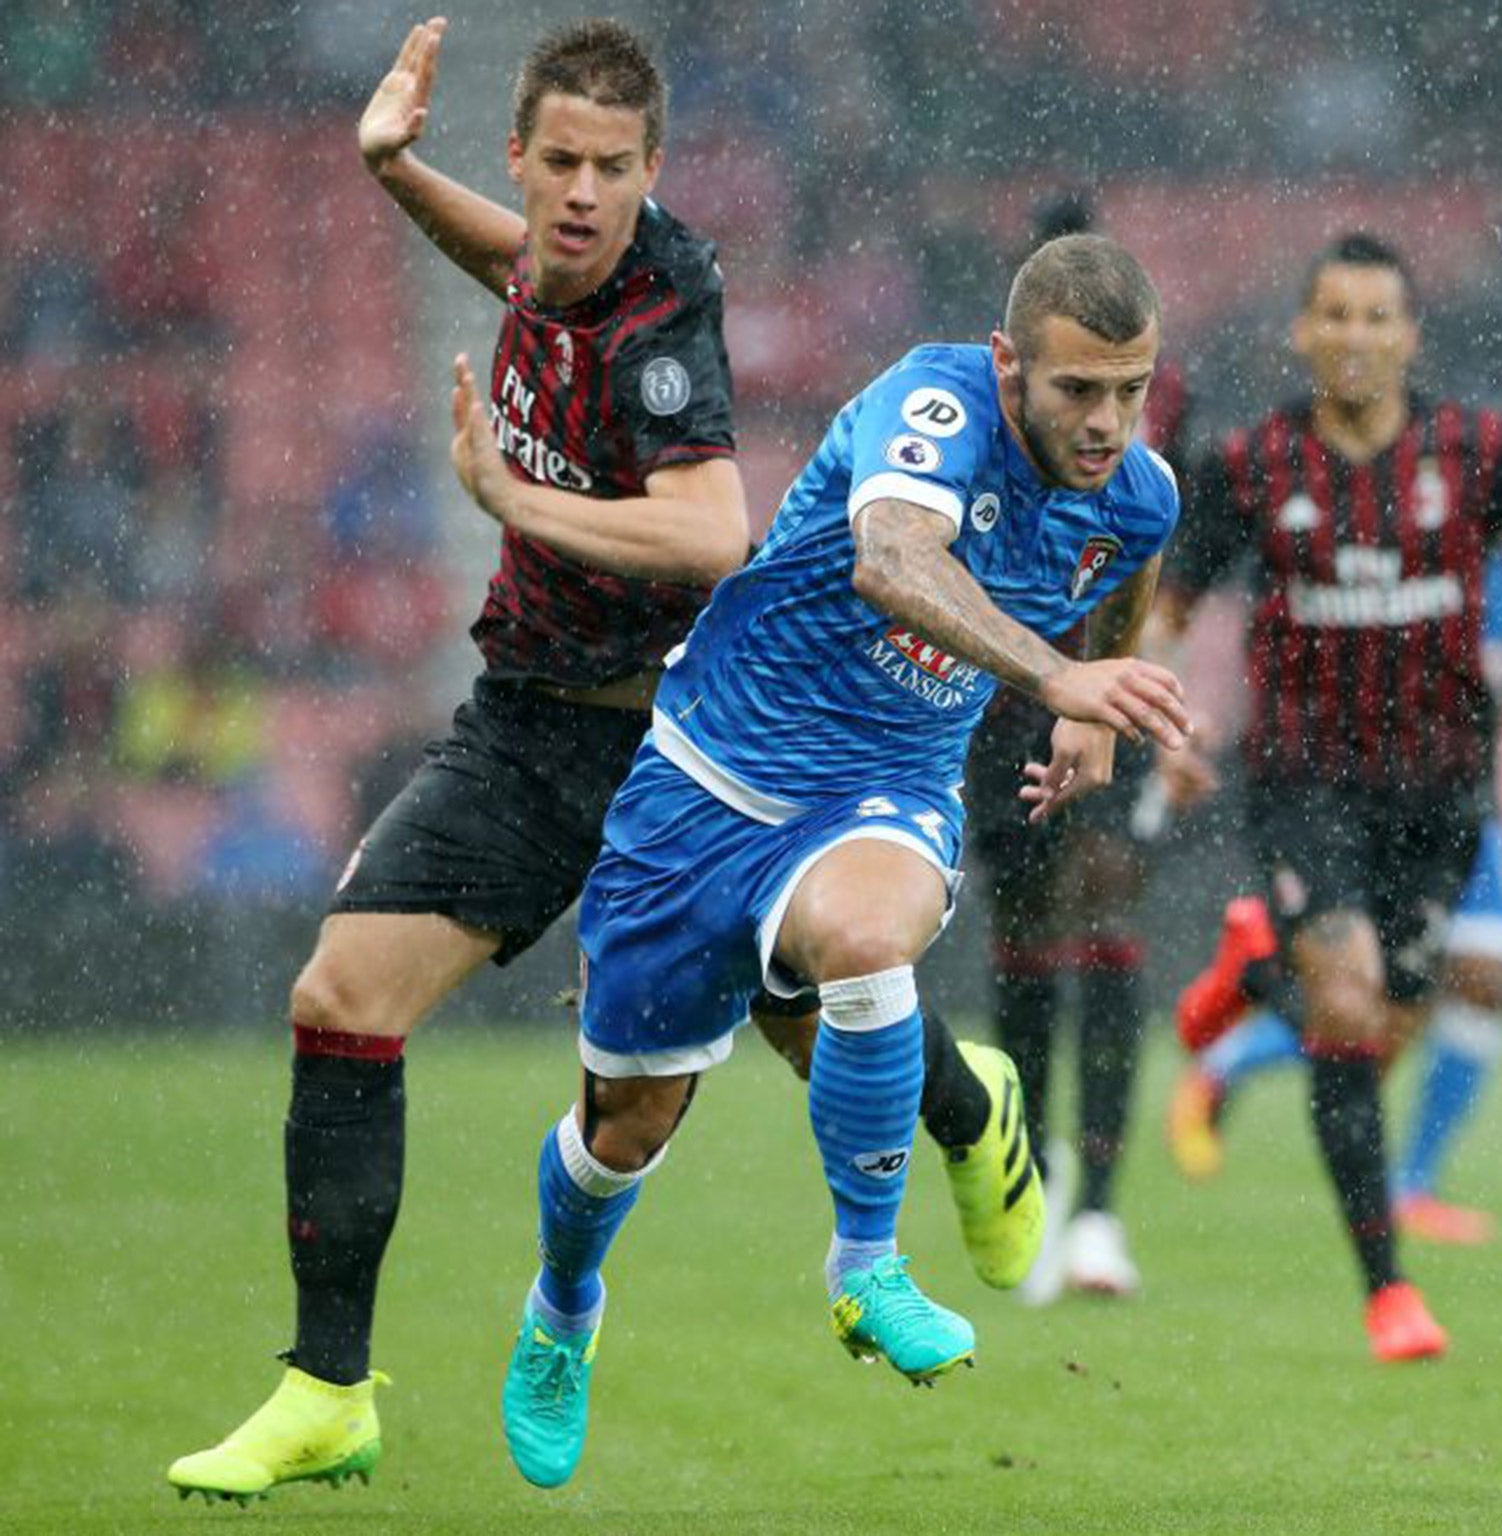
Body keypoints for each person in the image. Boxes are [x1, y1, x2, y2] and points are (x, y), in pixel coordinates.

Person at [168, 18, 1034, 1507]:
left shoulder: (665, 319)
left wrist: (510, 496)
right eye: (557, 162)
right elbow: (525, 267)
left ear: (655, 173)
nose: (578, 193)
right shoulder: (557, 258)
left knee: (792, 1047)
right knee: (339, 1000)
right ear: (520, 153)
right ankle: (325, 1390)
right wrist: (391, 175)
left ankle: (975, 1114)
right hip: (528, 723)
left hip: (694, 750)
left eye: (610, 170)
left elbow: (711, 533)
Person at [495, 233, 1187, 1489]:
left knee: (869, 944)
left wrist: (1086, 706)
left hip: (888, 783)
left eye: (1130, 389)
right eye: (1078, 389)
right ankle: (561, 1312)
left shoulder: (1139, 492)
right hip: (707, 778)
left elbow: (1124, 567)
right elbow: (892, 560)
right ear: (1006, 364)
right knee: (621, 1135)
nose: (1105, 422)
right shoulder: (933, 398)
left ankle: (865, 1267)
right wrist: (1057, 675)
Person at [1151, 233, 1502, 1363]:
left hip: (1443, 791)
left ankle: (1250, 976)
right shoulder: (1250, 463)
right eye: (1335, 315)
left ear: (1409, 336)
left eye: (1377, 317)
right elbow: (1166, 611)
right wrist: (1163, 723)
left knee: (1390, 1022)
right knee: (1350, 1007)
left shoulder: (1481, 451)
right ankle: (1387, 1293)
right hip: (1304, 779)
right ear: (1301, 332)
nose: (1355, 337)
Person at [1166, 550, 1502, 1253]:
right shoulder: (1439, 521)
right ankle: (1237, 1055)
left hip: (1463, 797)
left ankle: (1406, 1180)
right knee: (1383, 1000)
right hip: (1395, 794)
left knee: (1463, 990)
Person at [960, 192, 1193, 1305]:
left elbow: (1162, 541)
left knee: (1103, 913)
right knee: (1021, 927)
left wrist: (1123, 692)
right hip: (997, 693)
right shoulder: (980, 406)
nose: (1103, 413)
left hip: (1103, 681)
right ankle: (1034, 1175)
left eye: (1125, 389)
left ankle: (1099, 1210)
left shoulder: (1158, 407)